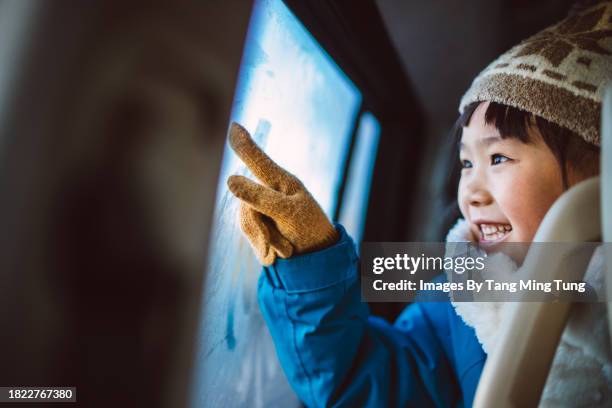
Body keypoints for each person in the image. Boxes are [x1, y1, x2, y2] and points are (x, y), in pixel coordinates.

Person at [226, 1, 612, 406]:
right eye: (466, 162)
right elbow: (372, 382)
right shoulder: (458, 304)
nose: (470, 193)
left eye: (498, 158)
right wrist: (310, 264)